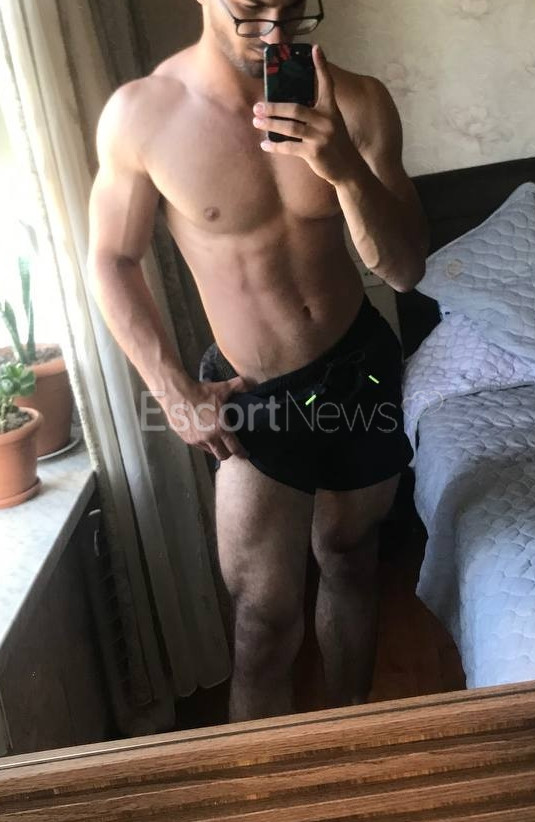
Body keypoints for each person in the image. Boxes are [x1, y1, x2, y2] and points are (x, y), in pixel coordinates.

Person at [87, 0, 430, 723]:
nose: (275, 33)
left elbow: (403, 272)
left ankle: (353, 737)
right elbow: (112, 260)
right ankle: (263, 781)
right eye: (250, 10)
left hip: (359, 366)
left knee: (351, 557)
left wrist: (345, 172)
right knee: (262, 623)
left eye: (293, 8)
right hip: (254, 391)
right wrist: (171, 390)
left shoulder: (358, 102)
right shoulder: (143, 115)